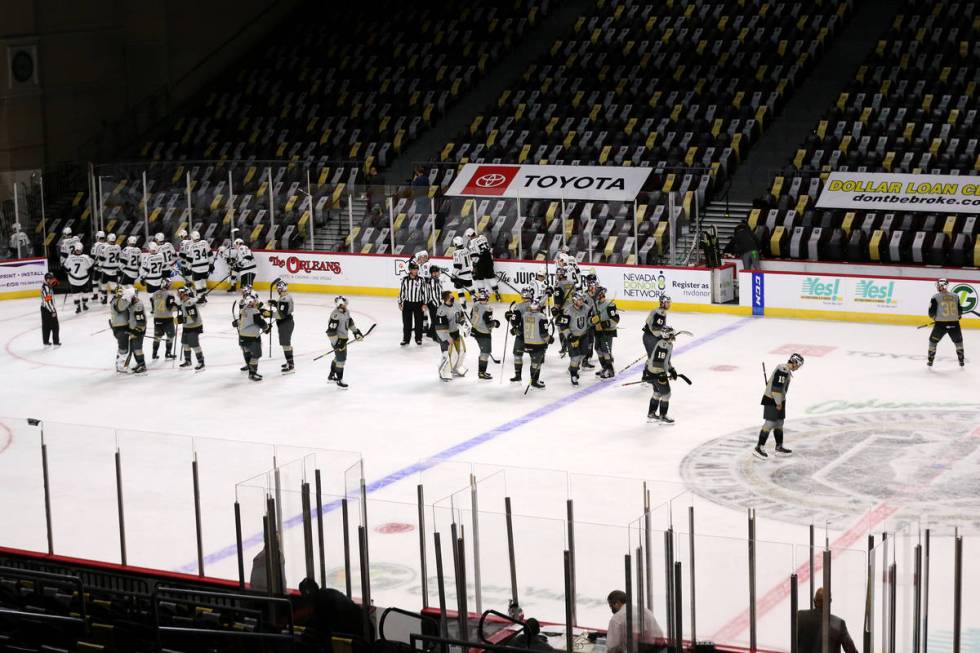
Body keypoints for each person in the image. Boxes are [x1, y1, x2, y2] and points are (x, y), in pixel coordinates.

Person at [755, 353, 804, 458]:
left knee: (779, 422)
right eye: (799, 365)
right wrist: (778, 403)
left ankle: (779, 447)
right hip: (773, 400)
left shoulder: (785, 370)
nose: (798, 368)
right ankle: (759, 447)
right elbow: (776, 388)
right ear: (795, 363)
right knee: (770, 423)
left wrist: (780, 401)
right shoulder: (783, 370)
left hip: (779, 400)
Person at [797, 587, 859, 653]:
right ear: (830, 601)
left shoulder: (800, 616)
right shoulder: (838, 623)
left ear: (814, 601)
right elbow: (851, 650)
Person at [643, 326, 678, 423]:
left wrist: (671, 369)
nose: (673, 336)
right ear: (667, 335)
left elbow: (665, 360)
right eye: (671, 334)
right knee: (666, 394)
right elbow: (658, 361)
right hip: (657, 373)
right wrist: (661, 374)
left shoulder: (666, 344)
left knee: (657, 393)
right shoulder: (664, 345)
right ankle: (663, 416)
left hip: (653, 372)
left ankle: (651, 414)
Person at [327, 296, 363, 388]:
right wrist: (337, 344)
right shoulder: (335, 315)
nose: (346, 305)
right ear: (340, 304)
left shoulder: (346, 311)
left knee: (338, 357)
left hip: (343, 339)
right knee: (341, 360)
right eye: (345, 304)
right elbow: (331, 332)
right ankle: (339, 380)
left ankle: (331, 376)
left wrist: (356, 332)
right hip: (337, 340)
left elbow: (349, 322)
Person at [928, 278, 965, 367]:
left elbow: (931, 313)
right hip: (954, 324)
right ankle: (961, 361)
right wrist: (957, 316)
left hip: (940, 325)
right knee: (958, 342)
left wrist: (935, 318)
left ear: (942, 286)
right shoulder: (956, 296)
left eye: (938, 285)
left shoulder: (935, 297)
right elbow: (960, 311)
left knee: (933, 341)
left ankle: (930, 361)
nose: (937, 287)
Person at [559, 291, 593, 386]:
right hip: (573, 338)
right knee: (575, 357)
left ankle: (572, 368)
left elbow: (589, 321)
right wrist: (569, 336)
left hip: (584, 336)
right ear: (574, 300)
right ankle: (573, 375)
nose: (582, 301)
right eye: (579, 299)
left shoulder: (586, 308)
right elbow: (563, 326)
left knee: (582, 355)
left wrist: (592, 320)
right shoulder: (568, 310)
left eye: (582, 299)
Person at [234, 295, 270, 381]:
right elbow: (261, 323)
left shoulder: (243, 310)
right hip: (252, 338)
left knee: (247, 353)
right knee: (256, 355)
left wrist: (236, 322)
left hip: (242, 337)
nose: (256, 302)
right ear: (250, 302)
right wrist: (267, 328)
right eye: (254, 301)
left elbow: (240, 321)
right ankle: (252, 374)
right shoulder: (255, 312)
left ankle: (250, 371)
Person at [435, 290, 466, 381]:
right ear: (446, 299)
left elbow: (461, 316)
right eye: (451, 297)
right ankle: (443, 371)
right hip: (445, 334)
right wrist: (447, 338)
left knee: (461, 351)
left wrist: (464, 327)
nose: (453, 297)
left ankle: (456, 368)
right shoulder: (441, 310)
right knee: (448, 354)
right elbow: (440, 327)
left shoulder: (456, 304)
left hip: (455, 332)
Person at [522, 299, 552, 389]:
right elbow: (544, 334)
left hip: (527, 343)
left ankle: (534, 380)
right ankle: (534, 381)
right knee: (536, 363)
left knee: (534, 362)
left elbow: (520, 329)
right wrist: (549, 339)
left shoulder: (525, 315)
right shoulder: (541, 317)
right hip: (538, 343)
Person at [469, 288, 498, 380]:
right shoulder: (488, 308)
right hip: (484, 333)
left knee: (483, 352)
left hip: (475, 330)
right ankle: (481, 373)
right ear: (487, 297)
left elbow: (471, 316)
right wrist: (496, 323)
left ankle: (482, 372)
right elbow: (489, 324)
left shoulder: (475, 304)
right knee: (485, 353)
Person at [591, 286, 620, 378]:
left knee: (606, 351)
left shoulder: (610, 305)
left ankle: (610, 370)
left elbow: (615, 319)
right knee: (598, 349)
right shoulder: (595, 305)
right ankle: (604, 367)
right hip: (598, 332)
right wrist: (593, 321)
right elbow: (592, 318)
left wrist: (603, 325)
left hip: (607, 332)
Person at [506, 287, 533, 382]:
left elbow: (514, 322)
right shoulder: (536, 305)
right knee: (534, 357)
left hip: (521, 335)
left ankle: (518, 375)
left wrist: (509, 317)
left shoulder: (518, 306)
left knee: (517, 354)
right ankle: (534, 378)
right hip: (534, 336)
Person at [177, 286, 205, 370]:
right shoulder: (183, 301)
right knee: (185, 343)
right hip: (187, 326)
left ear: (184, 293)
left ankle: (201, 362)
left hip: (194, 326)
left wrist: (182, 319)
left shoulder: (189, 303)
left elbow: (193, 318)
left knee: (194, 344)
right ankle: (188, 361)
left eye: (179, 292)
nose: (178, 294)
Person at [149, 277, 178, 360]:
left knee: (157, 337)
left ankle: (154, 354)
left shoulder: (154, 294)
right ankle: (168, 353)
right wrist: (178, 308)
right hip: (167, 319)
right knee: (170, 336)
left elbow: (153, 306)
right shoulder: (170, 295)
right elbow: (170, 308)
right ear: (167, 285)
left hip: (157, 319)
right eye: (169, 284)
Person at [398, 262, 426, 345]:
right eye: (414, 269)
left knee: (419, 322)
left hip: (418, 303)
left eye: (417, 269)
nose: (415, 271)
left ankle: (418, 338)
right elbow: (402, 291)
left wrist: (424, 303)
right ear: (410, 270)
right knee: (407, 323)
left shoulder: (421, 280)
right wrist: (400, 302)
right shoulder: (405, 280)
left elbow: (424, 292)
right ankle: (406, 339)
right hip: (407, 304)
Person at [468, 228, 500, 300]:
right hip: (489, 259)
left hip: (481, 261)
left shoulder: (472, 243)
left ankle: (482, 295)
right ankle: (497, 294)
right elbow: (488, 249)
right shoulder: (483, 237)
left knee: (480, 279)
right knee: (491, 277)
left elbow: (474, 257)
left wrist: (474, 266)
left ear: (469, 236)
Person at [271, 280, 296, 373]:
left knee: (286, 344)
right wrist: (275, 303)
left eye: (279, 288)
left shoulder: (284, 299)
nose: (278, 290)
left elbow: (281, 315)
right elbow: (283, 308)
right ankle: (289, 362)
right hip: (287, 322)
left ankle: (291, 366)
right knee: (287, 344)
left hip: (285, 323)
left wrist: (268, 313)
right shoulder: (285, 296)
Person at [64, 243, 95, 313]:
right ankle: (83, 305)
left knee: (76, 294)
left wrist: (68, 271)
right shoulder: (86, 257)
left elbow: (65, 268)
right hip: (84, 279)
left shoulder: (70, 257)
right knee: (85, 293)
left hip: (73, 280)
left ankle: (78, 307)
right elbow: (91, 266)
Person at [109, 286, 132, 372]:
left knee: (123, 347)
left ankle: (119, 364)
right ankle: (120, 366)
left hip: (121, 327)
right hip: (120, 328)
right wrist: (129, 298)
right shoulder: (117, 301)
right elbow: (121, 307)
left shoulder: (117, 300)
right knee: (124, 348)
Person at [128, 288, 148, 374]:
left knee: (137, 348)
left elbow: (141, 322)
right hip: (133, 329)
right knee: (133, 348)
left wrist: (138, 330)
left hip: (138, 330)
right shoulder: (133, 303)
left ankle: (142, 365)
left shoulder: (138, 306)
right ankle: (139, 364)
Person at [189, 231, 213, 301]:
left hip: (196, 268)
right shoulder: (205, 243)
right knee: (203, 282)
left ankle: (200, 297)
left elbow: (189, 259)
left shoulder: (191, 246)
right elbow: (210, 254)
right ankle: (204, 296)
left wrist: (188, 267)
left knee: (197, 284)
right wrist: (211, 264)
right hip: (205, 266)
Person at [451, 235, 474, 304]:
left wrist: (453, 275)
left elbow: (458, 266)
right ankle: (475, 301)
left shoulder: (456, 253)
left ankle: (463, 303)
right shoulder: (466, 249)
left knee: (459, 289)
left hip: (460, 275)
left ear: (455, 244)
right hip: (468, 274)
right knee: (471, 289)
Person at [425, 265, 445, 340]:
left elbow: (440, 292)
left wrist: (441, 301)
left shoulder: (438, 280)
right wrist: (437, 304)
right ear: (431, 273)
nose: (436, 273)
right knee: (435, 320)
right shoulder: (431, 281)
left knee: (435, 319)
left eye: (437, 272)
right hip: (432, 303)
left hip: (437, 302)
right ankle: (435, 336)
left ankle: (430, 333)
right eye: (434, 272)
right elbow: (432, 293)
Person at [40, 272, 61, 346]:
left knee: (46, 326)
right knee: (55, 326)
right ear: (48, 279)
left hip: (44, 308)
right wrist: (52, 311)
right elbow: (48, 301)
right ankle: (56, 342)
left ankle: (45, 341)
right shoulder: (46, 288)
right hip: (48, 308)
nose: (53, 280)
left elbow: (56, 283)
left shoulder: (47, 285)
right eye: (51, 279)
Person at [100, 233, 121, 303]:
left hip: (106, 268)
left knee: (103, 285)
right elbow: (119, 257)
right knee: (114, 285)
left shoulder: (105, 247)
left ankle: (105, 299)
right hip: (114, 269)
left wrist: (100, 264)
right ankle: (115, 299)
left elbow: (102, 258)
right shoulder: (118, 247)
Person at [89, 231, 106, 301]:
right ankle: (104, 296)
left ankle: (96, 295)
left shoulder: (96, 245)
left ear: (97, 237)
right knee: (103, 282)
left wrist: (90, 265)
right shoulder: (107, 244)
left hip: (97, 266)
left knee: (95, 281)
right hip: (106, 267)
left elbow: (92, 256)